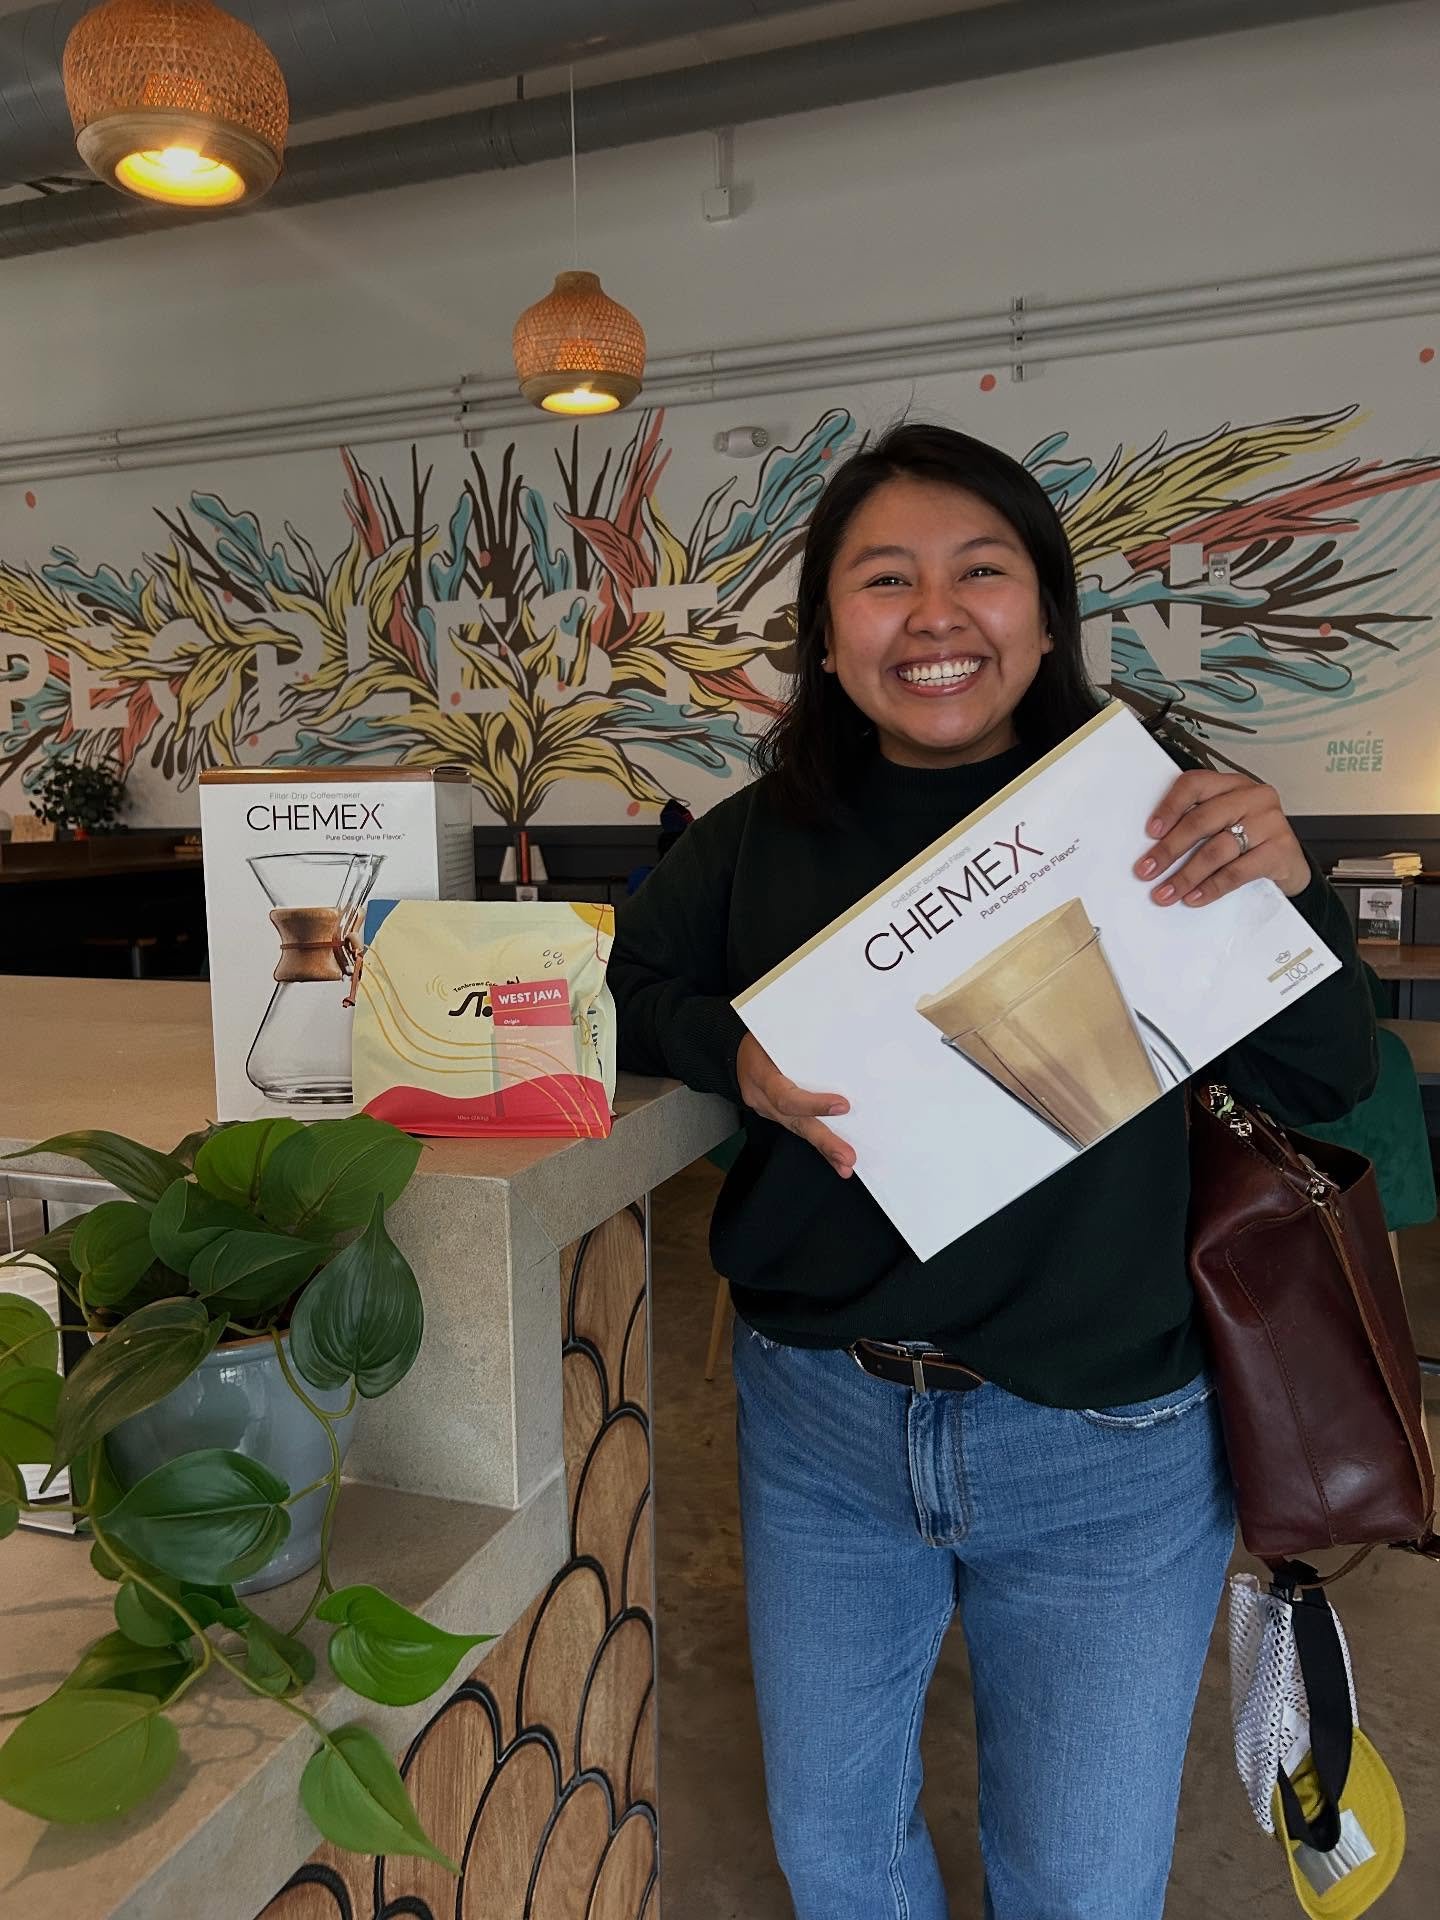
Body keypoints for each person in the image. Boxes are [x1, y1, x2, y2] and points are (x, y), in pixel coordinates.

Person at [607, 424, 1376, 1920]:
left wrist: (1298, 894)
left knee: (1082, 1886)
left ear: (1045, 612)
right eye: (884, 582)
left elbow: (1326, 1073)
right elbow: (622, 990)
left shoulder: (1151, 817)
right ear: (828, 637)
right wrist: (730, 1050)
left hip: (1111, 1444)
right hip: (820, 1421)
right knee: (834, 1857)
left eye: (982, 573)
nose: (936, 616)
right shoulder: (755, 844)